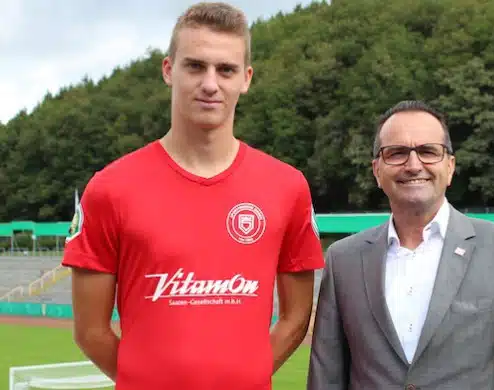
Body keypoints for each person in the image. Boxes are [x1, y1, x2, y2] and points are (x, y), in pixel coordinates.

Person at [62, 2, 324, 389]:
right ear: (169, 70)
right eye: (195, 66)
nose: (210, 84)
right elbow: (90, 331)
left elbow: (296, 319)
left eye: (226, 70)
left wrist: (243, 379)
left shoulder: (288, 187)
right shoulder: (109, 189)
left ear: (246, 79)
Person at [307, 100, 494, 390]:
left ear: (450, 166)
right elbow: (326, 376)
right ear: (377, 170)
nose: (414, 165)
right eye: (397, 153)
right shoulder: (343, 260)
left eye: (428, 152)